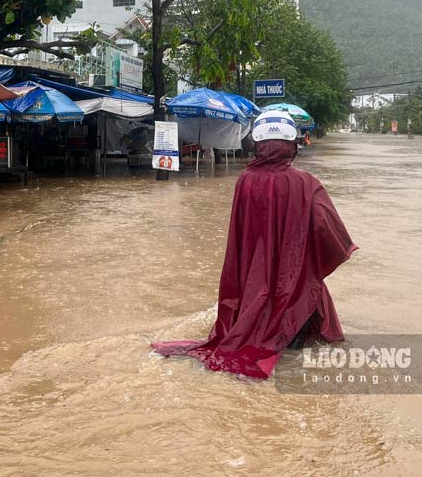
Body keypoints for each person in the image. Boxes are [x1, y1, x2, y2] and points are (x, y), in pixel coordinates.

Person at [152, 110, 357, 379]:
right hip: (294, 290)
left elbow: (240, 239)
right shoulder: (306, 183)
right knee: (305, 351)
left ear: (258, 144)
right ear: (292, 144)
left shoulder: (245, 181)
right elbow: (331, 233)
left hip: (252, 283)